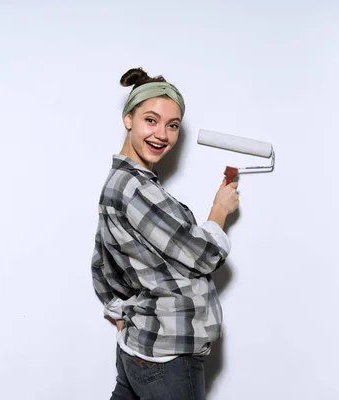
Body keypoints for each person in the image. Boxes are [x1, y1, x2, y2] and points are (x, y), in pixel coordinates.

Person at [91, 67, 239, 400]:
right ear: (129, 119)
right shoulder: (136, 189)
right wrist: (220, 209)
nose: (162, 134)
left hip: (138, 349)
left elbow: (101, 261)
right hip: (168, 358)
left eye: (172, 126)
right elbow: (203, 255)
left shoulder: (119, 184)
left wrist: (119, 310)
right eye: (151, 120)